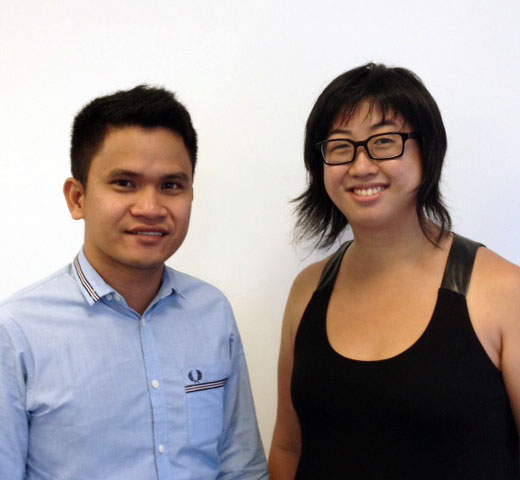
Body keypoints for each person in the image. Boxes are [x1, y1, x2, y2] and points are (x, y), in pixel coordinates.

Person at [0, 85, 268, 479]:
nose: (150, 208)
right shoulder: (17, 331)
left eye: (171, 185)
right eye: (125, 183)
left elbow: (241, 466)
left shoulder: (212, 311)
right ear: (77, 198)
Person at [269, 63, 520, 479]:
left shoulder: (503, 291)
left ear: (428, 151)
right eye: (340, 146)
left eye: (384, 141)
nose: (361, 165)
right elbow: (287, 447)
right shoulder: (308, 289)